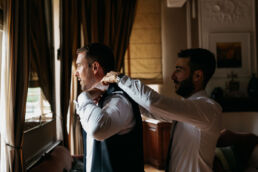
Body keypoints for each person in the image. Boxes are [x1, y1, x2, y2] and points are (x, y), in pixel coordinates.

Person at [101, 48, 223, 172]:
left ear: (197, 76)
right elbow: (150, 110)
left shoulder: (208, 109)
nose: (172, 76)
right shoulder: (189, 109)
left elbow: (153, 102)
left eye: (179, 70)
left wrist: (119, 78)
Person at [74, 43, 144, 172]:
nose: (75, 73)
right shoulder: (93, 102)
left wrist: (84, 96)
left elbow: (97, 129)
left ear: (95, 67)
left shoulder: (119, 100)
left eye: (79, 66)